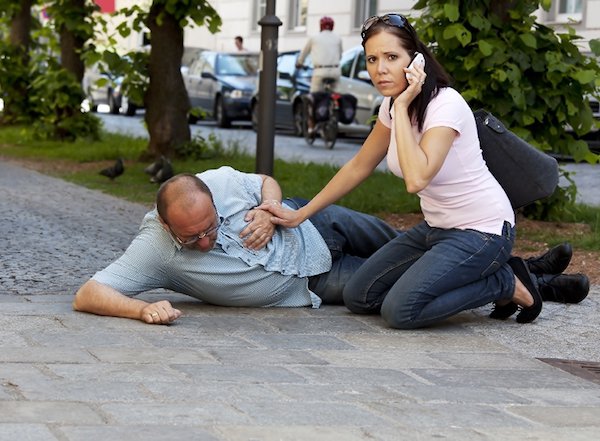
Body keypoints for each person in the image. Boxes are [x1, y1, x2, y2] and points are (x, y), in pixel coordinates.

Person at [260, 14, 590, 329]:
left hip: (482, 230)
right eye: (372, 60)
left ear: (416, 60)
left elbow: (418, 178)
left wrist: (402, 107)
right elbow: (359, 165)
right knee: (359, 295)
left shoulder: (444, 106)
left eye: (391, 56)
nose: (380, 69)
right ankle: (496, 275)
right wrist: (300, 214)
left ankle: (505, 282)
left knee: (401, 311)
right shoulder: (391, 106)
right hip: (436, 229)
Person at [72, 167, 583, 326]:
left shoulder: (216, 181)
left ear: (209, 197)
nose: (207, 238)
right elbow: (88, 293)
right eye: (194, 236)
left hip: (317, 222)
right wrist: (141, 310)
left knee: (426, 247)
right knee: (408, 283)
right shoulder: (155, 247)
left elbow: (266, 181)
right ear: (167, 227)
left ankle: (527, 270)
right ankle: (536, 284)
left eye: (212, 225)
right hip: (314, 281)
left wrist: (270, 212)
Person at [296, 16, 343, 134]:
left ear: (320, 26)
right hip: (335, 71)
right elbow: (341, 55)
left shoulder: (314, 38)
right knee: (335, 94)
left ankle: (311, 126)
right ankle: (334, 110)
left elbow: (304, 53)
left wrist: (299, 63)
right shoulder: (338, 38)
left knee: (313, 98)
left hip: (320, 72)